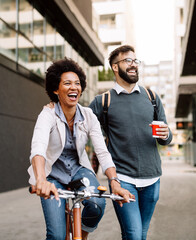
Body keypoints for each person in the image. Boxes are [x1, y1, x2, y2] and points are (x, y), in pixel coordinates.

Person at [27, 58, 132, 240]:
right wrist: (41, 180)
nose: (73, 87)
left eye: (77, 83)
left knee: (97, 203)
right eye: (67, 83)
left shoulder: (88, 115)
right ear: (55, 89)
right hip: (52, 175)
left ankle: (81, 235)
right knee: (57, 236)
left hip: (78, 170)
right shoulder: (48, 115)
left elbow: (102, 151)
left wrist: (114, 182)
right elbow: (38, 148)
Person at [89, 45, 172, 240]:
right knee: (134, 235)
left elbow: (166, 138)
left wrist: (166, 134)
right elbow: (79, 125)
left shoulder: (151, 98)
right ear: (115, 67)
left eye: (136, 61)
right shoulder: (103, 102)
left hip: (152, 179)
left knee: (139, 235)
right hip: (122, 179)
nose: (134, 65)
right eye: (128, 61)